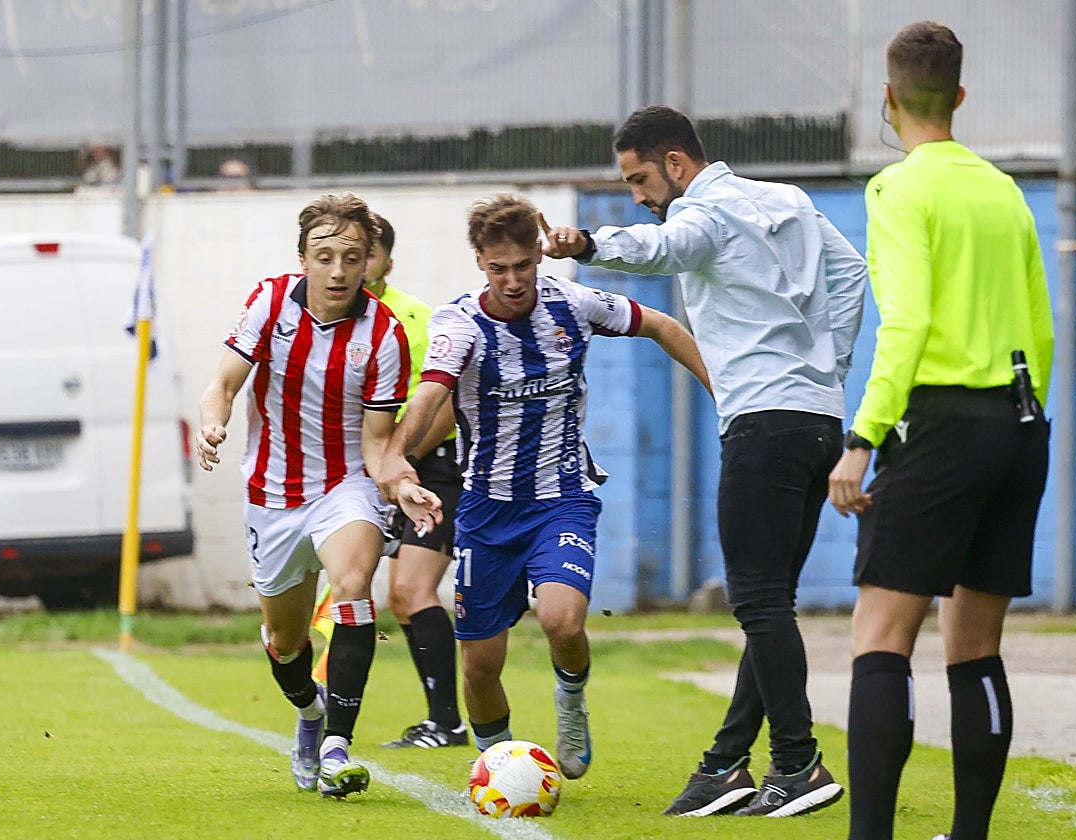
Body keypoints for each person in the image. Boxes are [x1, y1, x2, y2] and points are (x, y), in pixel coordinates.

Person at [542, 105, 866, 818]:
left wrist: (588, 242)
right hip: (816, 420)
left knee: (756, 600)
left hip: (763, 424)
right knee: (768, 602)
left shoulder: (704, 213)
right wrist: (826, 369)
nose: (639, 194)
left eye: (639, 179)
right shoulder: (789, 200)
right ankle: (725, 766)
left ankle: (798, 764)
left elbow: (665, 248)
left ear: (676, 164)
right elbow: (850, 275)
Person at [376, 193, 712, 782]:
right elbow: (432, 390)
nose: (512, 280)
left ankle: (572, 705)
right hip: (485, 509)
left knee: (562, 621)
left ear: (539, 255)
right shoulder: (460, 323)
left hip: (562, 500)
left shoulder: (574, 304)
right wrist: (396, 456)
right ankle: (499, 768)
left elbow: (659, 323)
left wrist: (723, 397)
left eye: (523, 265)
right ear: (480, 261)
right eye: (498, 267)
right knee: (480, 666)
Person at [827, 21, 1053, 840]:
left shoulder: (897, 189)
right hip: (1021, 425)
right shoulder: (1004, 189)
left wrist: (864, 437)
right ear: (959, 96)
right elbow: (1043, 328)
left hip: (943, 422)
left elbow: (909, 320)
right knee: (975, 645)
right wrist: (1016, 422)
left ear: (888, 99)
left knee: (881, 634)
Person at [196, 192, 442, 800]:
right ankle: (309, 712)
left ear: (370, 263)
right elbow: (222, 385)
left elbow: (380, 443)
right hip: (273, 495)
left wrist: (405, 484)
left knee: (355, 588)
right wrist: (213, 423)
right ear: (303, 257)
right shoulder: (270, 301)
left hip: (345, 486)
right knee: (286, 640)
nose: (337, 270)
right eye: (325, 255)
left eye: (351, 257)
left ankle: (337, 744)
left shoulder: (385, 334)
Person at [363, 213, 468, 749]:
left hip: (433, 465)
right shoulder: (327, 319)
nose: (355, 266)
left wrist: (400, 464)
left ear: (386, 261)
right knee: (393, 596)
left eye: (367, 253)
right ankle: (441, 720)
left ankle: (448, 721)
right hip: (375, 468)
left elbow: (445, 402)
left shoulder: (417, 318)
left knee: (410, 589)